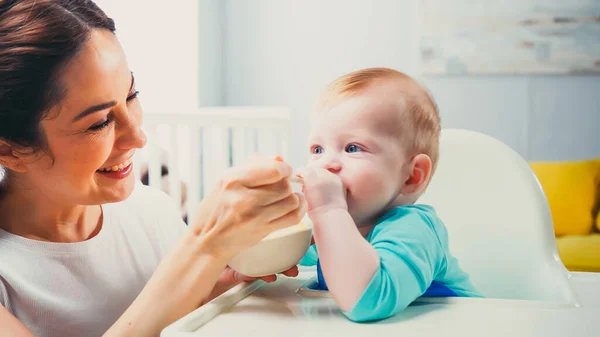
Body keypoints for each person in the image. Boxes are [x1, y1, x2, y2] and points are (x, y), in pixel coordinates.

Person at [0, 1, 306, 336]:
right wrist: (203, 245)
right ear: (9, 149)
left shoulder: (150, 211)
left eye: (131, 95)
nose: (138, 137)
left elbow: (171, 316)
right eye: (100, 123)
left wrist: (216, 284)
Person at [297, 67, 482, 323]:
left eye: (352, 148)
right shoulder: (331, 229)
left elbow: (369, 301)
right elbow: (287, 256)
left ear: (412, 176)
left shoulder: (415, 229)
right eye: (317, 149)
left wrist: (328, 211)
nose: (326, 164)